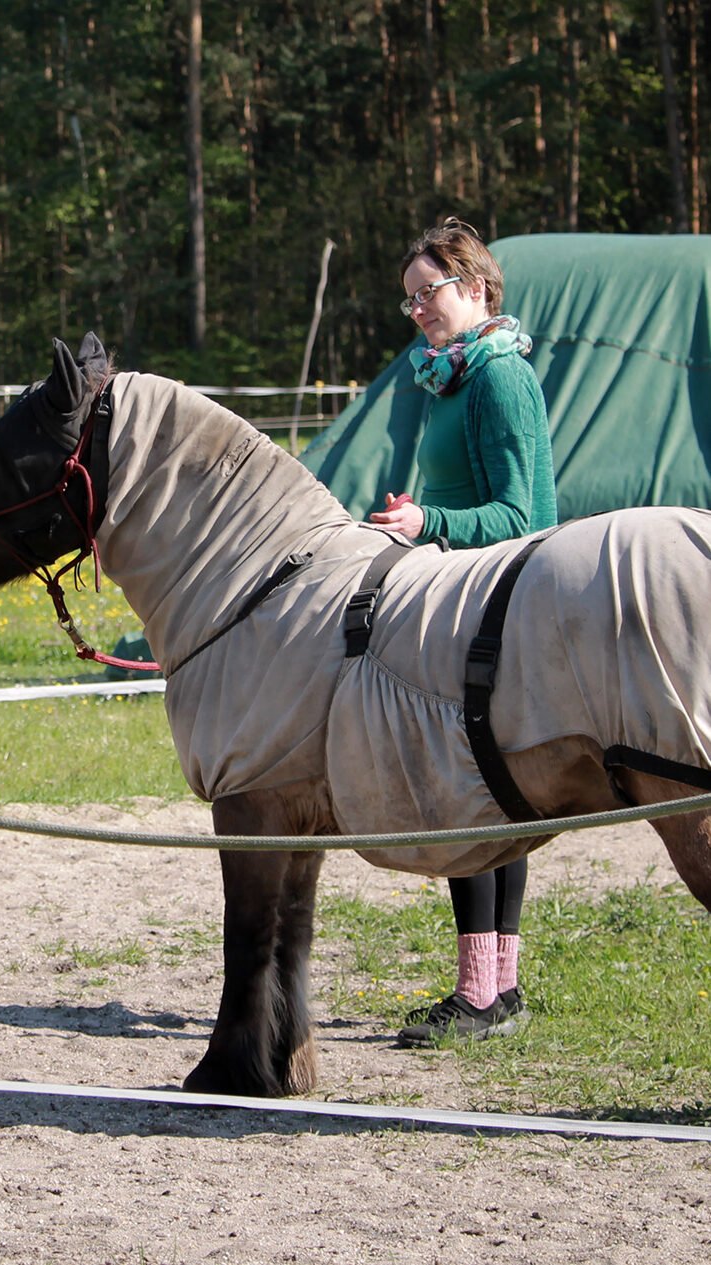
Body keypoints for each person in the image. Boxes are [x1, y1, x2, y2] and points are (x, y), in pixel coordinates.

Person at [369, 217, 557, 1046]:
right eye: (407, 299)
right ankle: (495, 987)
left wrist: (426, 520)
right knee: (485, 793)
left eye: (428, 293)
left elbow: (521, 513)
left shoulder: (498, 377)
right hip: (463, 594)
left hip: (497, 608)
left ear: (474, 288)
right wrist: (419, 518)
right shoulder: (446, 375)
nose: (417, 310)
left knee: (471, 794)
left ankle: (482, 993)